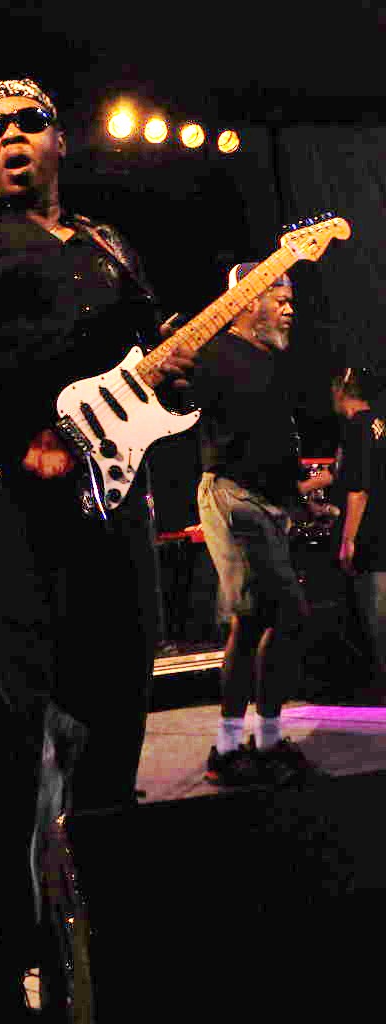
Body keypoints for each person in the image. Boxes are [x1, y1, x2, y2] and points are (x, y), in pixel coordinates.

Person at [0, 77, 193, 1021]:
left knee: (114, 701)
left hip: (112, 489)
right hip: (4, 481)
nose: (12, 137)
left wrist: (184, 360)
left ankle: (94, 928)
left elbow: (150, 354)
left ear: (61, 141)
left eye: (30, 122)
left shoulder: (107, 244)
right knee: (6, 711)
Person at [192, 262, 324, 787]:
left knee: (261, 622)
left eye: (292, 301)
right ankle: (231, 750)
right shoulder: (216, 352)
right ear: (247, 301)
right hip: (234, 497)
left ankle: (256, 744)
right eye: (279, 298)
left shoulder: (268, 360)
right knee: (278, 615)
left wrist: (298, 501)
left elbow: (270, 440)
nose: (290, 309)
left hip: (265, 502)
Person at [331, 368, 386, 699]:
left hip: (371, 537)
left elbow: (358, 490)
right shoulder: (378, 423)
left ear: (341, 391)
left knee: (376, 620)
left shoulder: (356, 427)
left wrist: (348, 539)